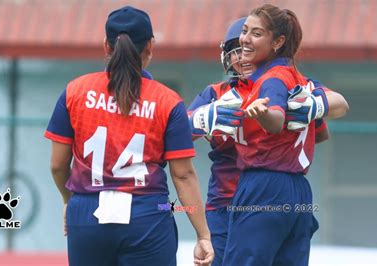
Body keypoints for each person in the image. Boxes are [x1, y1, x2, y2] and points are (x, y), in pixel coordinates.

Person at [44, 6, 213, 266]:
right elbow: (183, 175)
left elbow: (57, 165)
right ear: (150, 46)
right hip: (149, 212)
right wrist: (203, 234)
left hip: (87, 212)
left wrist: (70, 201)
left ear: (106, 46)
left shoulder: (75, 91)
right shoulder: (167, 101)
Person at [188, 17, 340, 266]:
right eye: (237, 52)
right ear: (227, 55)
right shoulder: (216, 94)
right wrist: (202, 118)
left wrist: (306, 112)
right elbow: (176, 134)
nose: (243, 57)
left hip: (265, 194)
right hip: (225, 202)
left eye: (248, 50)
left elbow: (322, 130)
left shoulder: (279, 86)